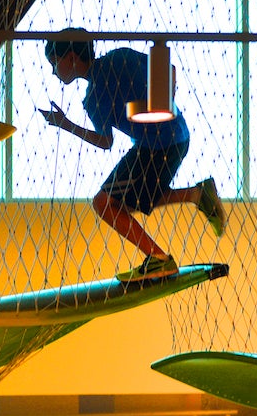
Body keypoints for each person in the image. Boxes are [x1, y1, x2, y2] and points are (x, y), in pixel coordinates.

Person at [39, 28, 227, 282]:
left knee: (103, 204)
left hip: (155, 147)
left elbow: (105, 142)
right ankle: (196, 194)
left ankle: (159, 259)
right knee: (128, 202)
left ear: (71, 57)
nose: (53, 71)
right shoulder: (120, 57)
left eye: (54, 63)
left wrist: (65, 125)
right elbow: (170, 70)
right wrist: (165, 104)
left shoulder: (94, 97)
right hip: (179, 136)